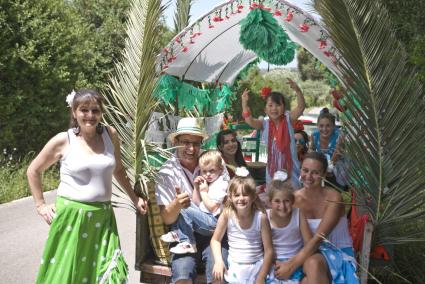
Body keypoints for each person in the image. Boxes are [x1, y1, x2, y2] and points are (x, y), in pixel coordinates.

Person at [27, 89, 148, 283]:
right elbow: (33, 170)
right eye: (84, 110)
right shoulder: (63, 140)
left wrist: (135, 198)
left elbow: (118, 170)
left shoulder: (111, 134)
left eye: (95, 110)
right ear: (74, 112)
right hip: (72, 219)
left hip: (103, 217)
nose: (90, 115)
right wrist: (41, 205)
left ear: (101, 113)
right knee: (68, 273)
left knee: (108, 273)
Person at [155, 117, 228, 284]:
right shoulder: (167, 171)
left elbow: (223, 199)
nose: (191, 148)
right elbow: (167, 218)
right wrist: (177, 204)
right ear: (176, 142)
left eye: (196, 143)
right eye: (186, 142)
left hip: (214, 233)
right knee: (182, 276)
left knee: (219, 275)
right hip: (184, 235)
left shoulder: (214, 162)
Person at [274, 152, 359, 284]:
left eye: (315, 172)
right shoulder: (293, 199)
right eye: (305, 170)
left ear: (324, 174)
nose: (308, 176)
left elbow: (319, 238)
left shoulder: (334, 197)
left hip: (336, 251)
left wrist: (291, 266)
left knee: (313, 263)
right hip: (307, 253)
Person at [211, 167, 273, 284]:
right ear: (231, 197)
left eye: (245, 195)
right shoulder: (227, 215)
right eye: (237, 195)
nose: (241, 198)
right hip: (235, 267)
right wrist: (218, 261)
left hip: (257, 266)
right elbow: (215, 240)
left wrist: (261, 276)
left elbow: (269, 250)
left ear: (253, 197)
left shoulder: (261, 218)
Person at [160, 150, 229, 254]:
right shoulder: (209, 182)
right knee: (184, 202)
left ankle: (188, 242)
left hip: (214, 223)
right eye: (204, 171)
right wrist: (197, 189)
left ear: (220, 169)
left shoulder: (221, 184)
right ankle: (177, 232)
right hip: (205, 218)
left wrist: (203, 192)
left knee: (184, 208)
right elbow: (197, 204)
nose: (208, 175)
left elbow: (213, 208)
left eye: (212, 171)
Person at [241, 79, 305, 187]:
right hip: (271, 170)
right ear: (265, 109)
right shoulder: (264, 123)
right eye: (270, 105)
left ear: (284, 108)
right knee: (273, 198)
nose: (274, 108)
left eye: (278, 105)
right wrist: (244, 103)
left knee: (292, 197)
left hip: (290, 169)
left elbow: (301, 107)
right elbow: (249, 120)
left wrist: (298, 91)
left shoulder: (288, 119)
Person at [265, 171, 312, 284]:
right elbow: (262, 245)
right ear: (270, 202)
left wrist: (294, 263)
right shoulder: (265, 217)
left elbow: (309, 242)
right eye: (277, 201)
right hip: (272, 263)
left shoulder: (298, 214)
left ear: (293, 201)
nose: (282, 206)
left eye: (287, 201)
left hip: (295, 262)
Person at [309, 108, 346, 188]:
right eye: (321, 126)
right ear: (317, 126)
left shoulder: (339, 136)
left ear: (333, 126)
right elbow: (311, 149)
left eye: (328, 126)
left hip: (338, 168)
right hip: (322, 166)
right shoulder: (314, 135)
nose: (324, 129)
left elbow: (337, 153)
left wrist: (328, 169)